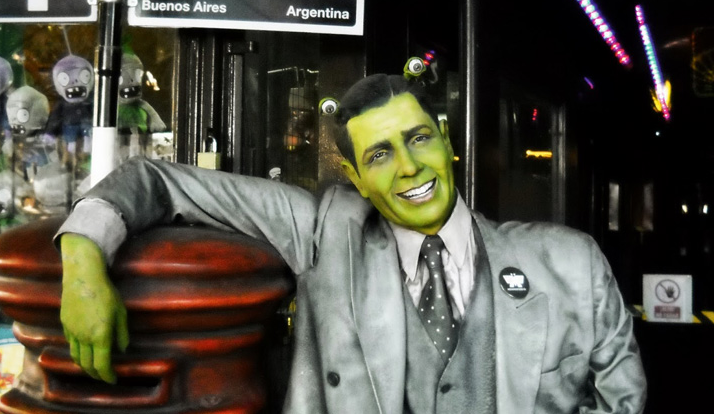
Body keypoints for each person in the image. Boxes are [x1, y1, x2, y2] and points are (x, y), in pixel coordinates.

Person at [57, 74, 647, 413]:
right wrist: (83, 265)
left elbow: (623, 401)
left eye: (419, 139)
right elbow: (158, 181)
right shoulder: (324, 231)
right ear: (357, 178)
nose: (409, 167)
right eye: (381, 154)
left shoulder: (571, 261)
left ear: (447, 142)